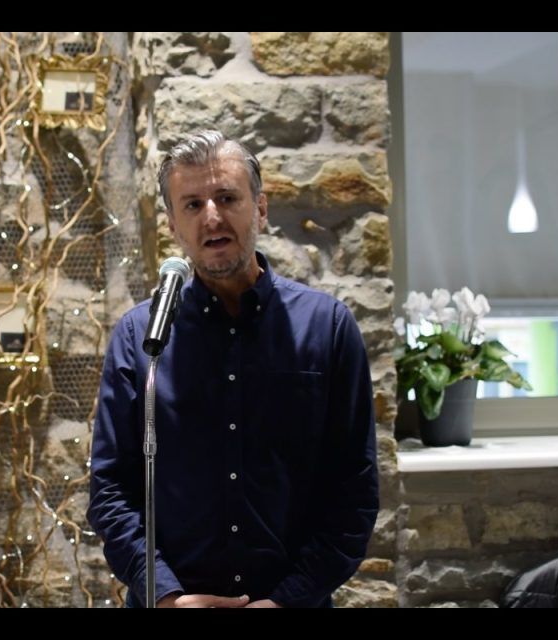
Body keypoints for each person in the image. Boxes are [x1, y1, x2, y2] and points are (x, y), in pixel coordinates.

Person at [86, 129, 379, 608]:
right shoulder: (141, 337)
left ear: (260, 209)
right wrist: (166, 596)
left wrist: (287, 600)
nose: (212, 217)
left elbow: (354, 493)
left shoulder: (326, 328)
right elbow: (110, 492)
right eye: (193, 205)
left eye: (227, 198)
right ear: (173, 225)